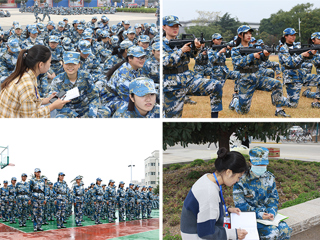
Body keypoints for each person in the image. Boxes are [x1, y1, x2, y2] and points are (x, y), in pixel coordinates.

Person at [180, 147, 249, 240]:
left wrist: (227, 210)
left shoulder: (208, 178)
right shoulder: (209, 192)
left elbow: (207, 210)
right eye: (238, 177)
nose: (237, 181)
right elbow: (206, 232)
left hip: (195, 231)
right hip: (195, 236)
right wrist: (234, 234)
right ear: (228, 172)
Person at [163, 15, 223, 118]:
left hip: (188, 79)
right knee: (172, 118)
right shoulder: (160, 44)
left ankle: (214, 118)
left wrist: (197, 48)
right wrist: (181, 51)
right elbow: (165, 62)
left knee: (216, 85)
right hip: (172, 84)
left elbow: (193, 56)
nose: (175, 28)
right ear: (164, 27)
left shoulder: (183, 42)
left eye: (177, 26)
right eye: (172, 26)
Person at [229, 25, 290, 117]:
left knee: (277, 84)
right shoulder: (235, 50)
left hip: (258, 77)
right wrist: (252, 56)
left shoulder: (256, 48)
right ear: (240, 35)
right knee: (243, 111)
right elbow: (238, 63)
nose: (249, 35)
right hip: (245, 80)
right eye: (246, 33)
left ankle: (279, 110)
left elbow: (263, 60)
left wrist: (265, 55)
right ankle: (235, 101)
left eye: (250, 33)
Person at [233, 147, 292, 240]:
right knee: (272, 233)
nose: (261, 166)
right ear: (250, 162)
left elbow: (273, 198)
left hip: (268, 217)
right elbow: (240, 206)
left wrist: (271, 212)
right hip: (251, 218)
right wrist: (260, 214)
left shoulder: (269, 177)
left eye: (263, 164)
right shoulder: (241, 180)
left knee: (286, 230)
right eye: (258, 164)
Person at [0, 45, 69, 118]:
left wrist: (48, 100)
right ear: (41, 65)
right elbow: (31, 117)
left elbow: (31, 101)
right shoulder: (27, 84)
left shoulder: (28, 74)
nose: (50, 64)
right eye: (49, 62)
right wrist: (53, 106)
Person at [49, 51, 111, 118]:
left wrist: (92, 113)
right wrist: (74, 116)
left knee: (106, 111)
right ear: (63, 64)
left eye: (74, 63)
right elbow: (54, 101)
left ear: (79, 64)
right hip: (68, 112)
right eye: (67, 63)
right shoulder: (57, 81)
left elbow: (94, 96)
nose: (70, 66)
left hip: (85, 109)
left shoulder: (86, 76)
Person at [278, 28, 320, 109]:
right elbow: (290, 64)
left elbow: (307, 59)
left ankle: (316, 101)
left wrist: (311, 54)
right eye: (291, 35)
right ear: (285, 36)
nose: (293, 37)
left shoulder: (297, 46)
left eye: (294, 35)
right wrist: (302, 55)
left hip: (301, 74)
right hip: (291, 78)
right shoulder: (283, 49)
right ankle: (278, 98)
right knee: (292, 105)